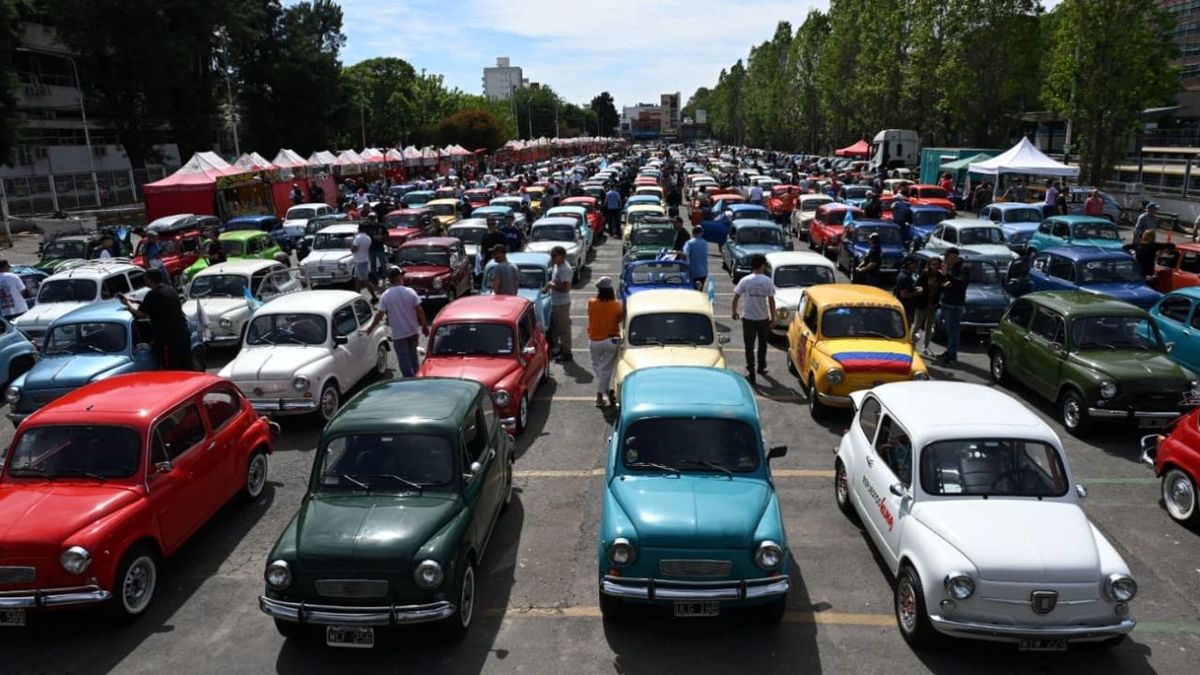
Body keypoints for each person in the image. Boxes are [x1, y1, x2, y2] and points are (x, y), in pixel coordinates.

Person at [118, 269, 193, 370]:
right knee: (186, 366)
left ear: (150, 279)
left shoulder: (152, 295)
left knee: (170, 369)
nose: (145, 281)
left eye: (146, 278)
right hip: (182, 334)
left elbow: (140, 314)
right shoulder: (170, 289)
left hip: (169, 340)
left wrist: (128, 303)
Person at [361, 267, 429, 377]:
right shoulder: (409, 291)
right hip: (413, 331)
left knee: (404, 361)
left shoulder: (386, 295)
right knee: (413, 357)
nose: (403, 277)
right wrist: (425, 326)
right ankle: (418, 378)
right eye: (401, 275)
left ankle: (410, 381)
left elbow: (379, 314)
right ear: (398, 277)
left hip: (399, 334)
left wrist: (370, 328)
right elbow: (419, 309)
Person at [731, 254, 776, 385]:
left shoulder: (745, 280)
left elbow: (736, 297)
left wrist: (734, 312)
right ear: (762, 265)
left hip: (748, 318)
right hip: (762, 318)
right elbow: (771, 300)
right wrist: (774, 318)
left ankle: (751, 370)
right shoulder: (767, 281)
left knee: (749, 346)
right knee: (763, 344)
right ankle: (761, 366)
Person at [587, 277, 622, 407]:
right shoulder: (617, 305)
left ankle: (601, 395)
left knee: (597, 366)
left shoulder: (591, 302)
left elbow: (590, 316)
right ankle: (604, 393)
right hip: (612, 340)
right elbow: (619, 320)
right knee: (606, 370)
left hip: (595, 340)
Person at [937, 248, 968, 365]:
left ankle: (952, 357)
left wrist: (948, 275)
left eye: (947, 257)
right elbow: (948, 283)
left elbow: (960, 284)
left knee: (953, 331)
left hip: (954, 306)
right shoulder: (952, 267)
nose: (945, 260)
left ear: (954, 257)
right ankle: (949, 350)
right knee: (944, 326)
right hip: (946, 302)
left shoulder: (963, 268)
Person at [545, 246, 574, 363]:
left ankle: (567, 352)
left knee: (564, 329)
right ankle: (561, 349)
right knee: (558, 328)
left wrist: (552, 286)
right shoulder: (558, 266)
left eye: (554, 255)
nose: (552, 258)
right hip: (556, 302)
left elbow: (566, 288)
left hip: (562, 303)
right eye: (551, 255)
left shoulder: (565, 269)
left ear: (562, 256)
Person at [911, 256, 940, 354]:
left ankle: (925, 346)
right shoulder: (924, 274)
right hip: (922, 304)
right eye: (933, 264)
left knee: (929, 327)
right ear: (929, 265)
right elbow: (918, 287)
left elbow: (942, 288)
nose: (935, 267)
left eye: (937, 264)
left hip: (933, 305)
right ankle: (912, 345)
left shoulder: (940, 275)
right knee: (917, 325)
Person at [350, 223, 378, 301]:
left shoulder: (357, 238)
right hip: (363, 260)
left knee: (365, 280)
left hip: (360, 261)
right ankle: (357, 296)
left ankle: (374, 296)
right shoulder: (368, 238)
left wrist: (351, 246)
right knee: (357, 280)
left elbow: (354, 249)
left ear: (359, 229)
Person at [892, 256, 921, 322]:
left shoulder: (904, 274)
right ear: (909, 264)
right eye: (915, 263)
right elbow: (904, 295)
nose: (916, 266)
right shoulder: (905, 277)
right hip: (906, 308)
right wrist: (917, 293)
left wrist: (914, 289)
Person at [684, 226, 709, 291]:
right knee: (700, 291)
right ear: (701, 233)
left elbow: (685, 254)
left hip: (692, 272)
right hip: (703, 272)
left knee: (692, 291)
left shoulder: (689, 243)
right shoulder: (705, 243)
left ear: (693, 233)